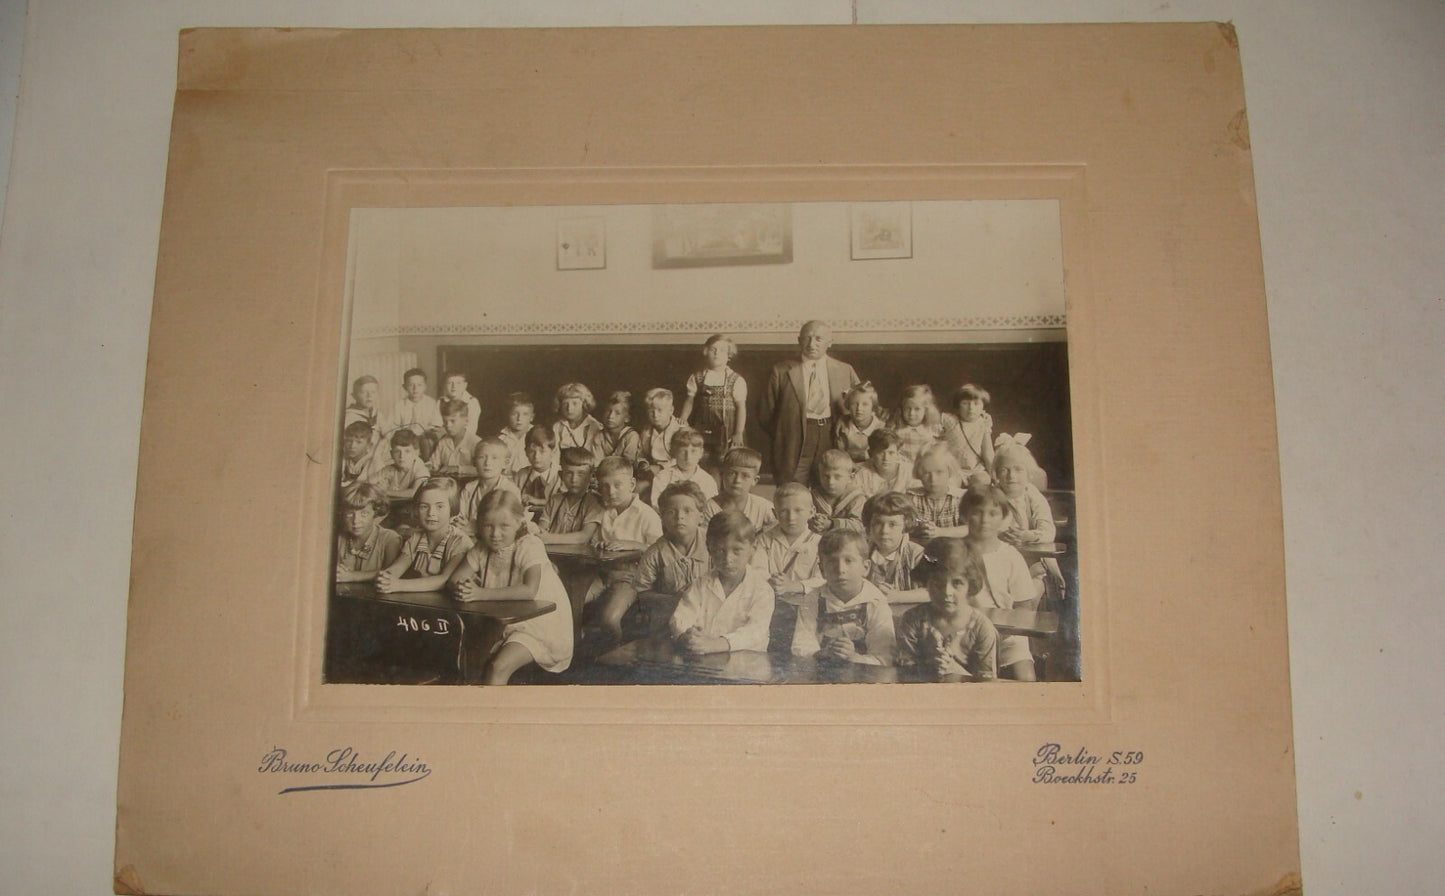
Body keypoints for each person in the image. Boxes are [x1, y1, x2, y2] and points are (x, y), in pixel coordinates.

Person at [448, 490, 574, 683]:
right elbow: (456, 578)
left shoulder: (529, 545)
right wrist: (465, 587)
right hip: (503, 620)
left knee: (498, 667)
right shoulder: (481, 549)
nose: (495, 534)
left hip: (540, 624)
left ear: (519, 522)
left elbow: (529, 590)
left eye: (504, 526)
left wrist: (480, 593)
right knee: (466, 660)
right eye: (487, 526)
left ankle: (497, 713)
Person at [757, 320, 860, 484]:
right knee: (792, 487)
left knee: (830, 484)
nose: (812, 344)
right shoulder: (781, 370)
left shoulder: (845, 370)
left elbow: (860, 403)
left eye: (818, 339)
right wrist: (785, 433)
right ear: (799, 341)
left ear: (830, 342)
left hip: (831, 434)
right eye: (807, 338)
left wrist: (843, 421)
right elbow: (766, 413)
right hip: (794, 438)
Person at [669, 510, 774, 655]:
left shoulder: (762, 589)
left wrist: (717, 644)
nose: (728, 558)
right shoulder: (701, 584)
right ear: (709, 550)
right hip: (703, 658)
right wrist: (686, 635)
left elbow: (755, 632)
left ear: (752, 549)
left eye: (737, 550)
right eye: (720, 550)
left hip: (746, 665)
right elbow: (681, 615)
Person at [960, 485, 1037, 681]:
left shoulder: (1011, 556)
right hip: (962, 634)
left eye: (993, 513)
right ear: (964, 516)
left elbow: (1024, 605)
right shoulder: (954, 552)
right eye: (977, 513)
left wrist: (1004, 633)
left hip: (1007, 638)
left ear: (1003, 518)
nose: (985, 520)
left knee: (1026, 680)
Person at [582, 456, 663, 641]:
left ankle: (617, 653)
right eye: (604, 486)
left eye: (618, 485)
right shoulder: (603, 512)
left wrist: (633, 545)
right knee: (571, 603)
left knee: (609, 619)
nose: (611, 492)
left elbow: (660, 551)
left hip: (631, 579)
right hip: (602, 575)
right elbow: (593, 543)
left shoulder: (646, 514)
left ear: (632, 484)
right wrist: (599, 545)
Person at [895, 538, 999, 682]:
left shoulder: (982, 628)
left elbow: (987, 684)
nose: (947, 592)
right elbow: (903, 674)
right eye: (938, 583)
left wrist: (953, 670)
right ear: (926, 582)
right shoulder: (913, 619)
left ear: (970, 584)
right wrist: (927, 668)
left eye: (957, 583)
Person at [790, 528, 894, 666]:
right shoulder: (813, 599)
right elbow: (801, 645)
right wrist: (823, 654)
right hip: (821, 669)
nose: (840, 569)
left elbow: (884, 657)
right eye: (832, 562)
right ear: (822, 570)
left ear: (865, 567)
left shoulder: (875, 602)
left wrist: (854, 658)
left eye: (849, 561)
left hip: (864, 674)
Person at [632, 482, 712, 630]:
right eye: (671, 512)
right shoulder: (655, 553)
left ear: (701, 517)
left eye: (687, 511)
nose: (679, 517)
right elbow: (641, 593)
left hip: (708, 616)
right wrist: (672, 600)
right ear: (662, 517)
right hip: (668, 618)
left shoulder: (712, 544)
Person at [992, 442, 1064, 597]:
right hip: (1000, 559)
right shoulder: (992, 496)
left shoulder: (1032, 495)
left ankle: (1028, 611)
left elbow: (1048, 531)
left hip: (1031, 560)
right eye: (1004, 470)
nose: (1011, 476)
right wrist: (1000, 534)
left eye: (1018, 470)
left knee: (1033, 587)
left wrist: (1027, 535)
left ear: (1028, 473)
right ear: (996, 474)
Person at [375, 478, 472, 593]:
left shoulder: (460, 541)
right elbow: (398, 567)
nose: (431, 513)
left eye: (440, 506)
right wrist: (386, 577)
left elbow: (444, 580)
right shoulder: (416, 538)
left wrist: (399, 585)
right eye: (424, 506)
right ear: (416, 510)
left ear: (452, 509)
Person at [749, 482, 825, 604]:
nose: (791, 517)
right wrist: (772, 582)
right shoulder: (764, 540)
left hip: (806, 606)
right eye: (784, 511)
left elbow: (822, 579)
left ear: (811, 512)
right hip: (769, 603)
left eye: (798, 510)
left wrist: (795, 585)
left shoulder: (819, 544)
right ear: (775, 514)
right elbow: (756, 570)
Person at [679, 334, 748, 466]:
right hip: (702, 427)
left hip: (727, 430)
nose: (717, 353)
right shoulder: (697, 377)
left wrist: (738, 432)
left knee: (726, 461)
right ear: (706, 352)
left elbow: (741, 408)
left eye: (722, 350)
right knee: (703, 460)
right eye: (713, 349)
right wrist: (683, 418)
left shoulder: (736, 379)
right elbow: (690, 400)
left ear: (729, 355)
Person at [862, 491, 927, 603]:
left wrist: (898, 596)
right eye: (878, 523)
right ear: (869, 525)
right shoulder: (861, 550)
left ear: (905, 525)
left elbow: (934, 590)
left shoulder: (917, 554)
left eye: (892, 524)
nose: (884, 531)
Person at [334, 482, 402, 583]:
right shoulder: (337, 537)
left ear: (376, 512)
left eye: (364, 514)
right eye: (349, 514)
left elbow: (390, 575)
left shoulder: (390, 539)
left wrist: (352, 576)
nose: (356, 521)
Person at [454, 438, 521, 538]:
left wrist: (476, 527)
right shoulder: (469, 488)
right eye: (482, 457)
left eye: (494, 458)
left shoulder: (510, 490)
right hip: (469, 539)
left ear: (505, 463)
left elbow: (509, 526)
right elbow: (461, 519)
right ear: (474, 461)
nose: (487, 463)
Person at [535, 448, 604, 543]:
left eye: (581, 474)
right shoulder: (555, 500)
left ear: (591, 476)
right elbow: (541, 530)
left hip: (579, 556)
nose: (574, 479)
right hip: (551, 553)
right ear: (561, 475)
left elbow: (584, 536)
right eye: (569, 473)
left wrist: (549, 538)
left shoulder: (595, 502)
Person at [907, 443, 969, 542]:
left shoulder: (960, 498)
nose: (933, 479)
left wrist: (940, 532)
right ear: (919, 474)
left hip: (952, 549)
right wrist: (919, 529)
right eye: (927, 473)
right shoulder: (912, 498)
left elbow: (969, 528)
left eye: (939, 472)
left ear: (949, 471)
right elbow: (904, 527)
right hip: (921, 548)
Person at [704, 447, 777, 531]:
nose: (737, 480)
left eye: (745, 476)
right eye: (732, 473)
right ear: (722, 475)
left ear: (755, 480)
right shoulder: (710, 507)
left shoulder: (764, 507)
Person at [648, 428, 718, 508]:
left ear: (701, 453)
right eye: (683, 451)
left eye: (693, 451)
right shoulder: (663, 477)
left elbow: (711, 509)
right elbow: (656, 505)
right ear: (674, 452)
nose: (688, 457)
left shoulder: (708, 481)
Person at [943, 383, 995, 484]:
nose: (971, 408)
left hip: (976, 469)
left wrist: (995, 476)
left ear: (983, 407)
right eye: (965, 403)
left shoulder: (983, 424)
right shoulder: (951, 421)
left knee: (982, 481)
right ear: (958, 406)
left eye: (976, 404)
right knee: (949, 483)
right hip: (952, 468)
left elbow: (988, 453)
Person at [889, 384, 952, 463]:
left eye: (917, 409)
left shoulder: (932, 429)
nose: (911, 413)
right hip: (903, 470)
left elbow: (942, 449)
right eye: (908, 408)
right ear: (902, 409)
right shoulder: (896, 430)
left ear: (926, 410)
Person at [807, 449, 866, 534]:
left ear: (850, 478)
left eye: (837, 477)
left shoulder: (857, 498)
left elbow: (859, 525)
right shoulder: (812, 496)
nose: (831, 482)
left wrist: (832, 524)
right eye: (826, 476)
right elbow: (803, 518)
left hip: (846, 541)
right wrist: (813, 522)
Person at [390, 368, 445, 458]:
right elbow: (394, 427)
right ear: (404, 387)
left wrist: (427, 432)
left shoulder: (431, 403)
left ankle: (427, 465)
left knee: (427, 442)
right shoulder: (399, 405)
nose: (415, 389)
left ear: (425, 386)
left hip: (424, 438)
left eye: (419, 385)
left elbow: (436, 425)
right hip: (406, 439)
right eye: (411, 385)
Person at [512, 424, 561, 517]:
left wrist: (538, 501)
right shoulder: (520, 475)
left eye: (542, 452)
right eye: (532, 451)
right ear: (525, 452)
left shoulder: (561, 475)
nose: (536, 456)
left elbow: (564, 502)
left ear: (553, 452)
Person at [368, 429, 430, 500]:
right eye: (397, 451)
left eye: (407, 451)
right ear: (391, 454)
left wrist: (385, 491)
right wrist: (376, 487)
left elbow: (414, 493)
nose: (402, 456)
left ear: (416, 452)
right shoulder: (390, 468)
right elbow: (367, 483)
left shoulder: (421, 469)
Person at [832, 381, 887, 462]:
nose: (859, 409)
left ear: (873, 407)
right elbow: (840, 455)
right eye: (854, 404)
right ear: (848, 406)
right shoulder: (843, 428)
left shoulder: (881, 428)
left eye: (865, 404)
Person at [635, 387, 684, 478]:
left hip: (677, 472)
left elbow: (683, 458)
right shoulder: (646, 431)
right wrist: (643, 463)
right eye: (651, 411)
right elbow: (641, 453)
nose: (655, 415)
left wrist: (661, 467)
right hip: (652, 472)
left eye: (660, 410)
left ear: (671, 410)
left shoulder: (679, 430)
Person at [853, 429, 915, 497]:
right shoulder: (860, 474)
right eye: (880, 453)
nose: (886, 458)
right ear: (871, 454)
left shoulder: (910, 472)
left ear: (898, 454)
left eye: (891, 453)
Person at [587, 390, 641, 466]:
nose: (610, 416)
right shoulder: (599, 436)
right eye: (608, 411)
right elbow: (597, 463)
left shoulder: (631, 436)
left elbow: (629, 463)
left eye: (617, 413)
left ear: (627, 418)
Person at [428, 399, 479, 476]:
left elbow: (481, 469)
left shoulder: (475, 442)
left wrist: (457, 469)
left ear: (466, 421)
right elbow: (434, 463)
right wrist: (428, 467)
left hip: (467, 483)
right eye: (445, 421)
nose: (448, 425)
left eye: (452, 421)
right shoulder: (443, 441)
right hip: (446, 482)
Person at [552, 382, 602, 451]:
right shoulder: (557, 427)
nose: (569, 408)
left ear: (584, 404)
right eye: (565, 404)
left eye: (575, 404)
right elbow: (554, 453)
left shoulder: (594, 426)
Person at [497, 392, 537, 475]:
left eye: (525, 414)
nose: (519, 418)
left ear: (532, 417)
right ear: (508, 415)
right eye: (514, 414)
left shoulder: (537, 436)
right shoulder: (501, 439)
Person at [441, 370, 482, 439]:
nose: (454, 386)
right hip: (444, 437)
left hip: (465, 438)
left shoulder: (472, 402)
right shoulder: (441, 401)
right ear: (445, 385)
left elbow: (471, 429)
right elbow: (436, 425)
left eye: (458, 383)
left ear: (465, 385)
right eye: (450, 383)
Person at [339, 421, 376, 489]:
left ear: (369, 446)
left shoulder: (372, 462)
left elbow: (357, 486)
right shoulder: (344, 459)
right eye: (349, 441)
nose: (352, 446)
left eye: (359, 442)